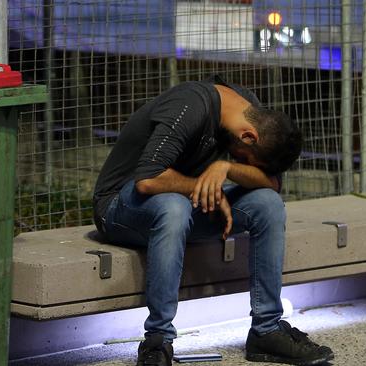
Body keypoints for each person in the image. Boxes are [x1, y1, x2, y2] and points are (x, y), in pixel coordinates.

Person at [92, 75, 334, 366]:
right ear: (248, 137)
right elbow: (148, 179)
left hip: (186, 204)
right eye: (246, 158)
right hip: (121, 206)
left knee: (267, 204)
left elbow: (270, 183)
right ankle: (158, 340)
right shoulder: (190, 106)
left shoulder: (252, 112)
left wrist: (227, 167)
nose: (244, 164)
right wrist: (203, 188)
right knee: (174, 206)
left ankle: (266, 330)